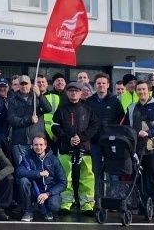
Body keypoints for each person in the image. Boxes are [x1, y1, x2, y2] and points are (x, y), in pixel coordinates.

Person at [52, 82, 100, 214]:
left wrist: (82, 137)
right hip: (65, 149)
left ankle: (87, 205)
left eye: (76, 91)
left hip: (85, 149)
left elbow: (95, 126)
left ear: (81, 92)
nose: (74, 93)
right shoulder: (61, 110)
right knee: (66, 177)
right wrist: (68, 138)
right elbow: (54, 127)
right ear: (67, 93)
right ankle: (66, 203)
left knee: (87, 177)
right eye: (71, 90)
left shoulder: (88, 109)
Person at [128, 81, 154, 216]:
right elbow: (128, 126)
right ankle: (141, 205)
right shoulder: (132, 107)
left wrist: (149, 133)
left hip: (152, 147)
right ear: (136, 91)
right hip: (136, 149)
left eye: (144, 89)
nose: (141, 92)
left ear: (148, 90)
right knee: (138, 178)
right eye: (139, 90)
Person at [86, 73, 123, 204]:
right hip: (95, 143)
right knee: (97, 172)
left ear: (108, 85)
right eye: (98, 83)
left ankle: (114, 199)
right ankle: (99, 200)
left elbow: (121, 121)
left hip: (111, 142)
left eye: (103, 83)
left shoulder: (115, 101)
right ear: (95, 85)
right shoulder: (89, 102)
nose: (101, 85)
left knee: (113, 171)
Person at [15, 136, 66, 222]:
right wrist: (38, 174)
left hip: (49, 193)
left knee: (54, 205)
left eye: (41, 144)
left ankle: (48, 209)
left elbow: (63, 183)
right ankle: (28, 210)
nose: (38, 147)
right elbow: (19, 172)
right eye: (36, 145)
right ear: (32, 146)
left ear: (46, 146)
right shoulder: (28, 158)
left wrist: (48, 193)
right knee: (23, 181)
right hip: (33, 192)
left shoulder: (54, 159)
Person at [7, 75, 53, 163]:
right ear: (19, 85)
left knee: (38, 168)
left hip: (36, 141)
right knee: (22, 169)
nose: (24, 86)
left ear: (30, 84)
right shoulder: (12, 100)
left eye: (26, 83)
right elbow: (12, 120)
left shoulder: (37, 97)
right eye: (22, 84)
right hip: (20, 142)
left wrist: (40, 95)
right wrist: (29, 120)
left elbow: (48, 109)